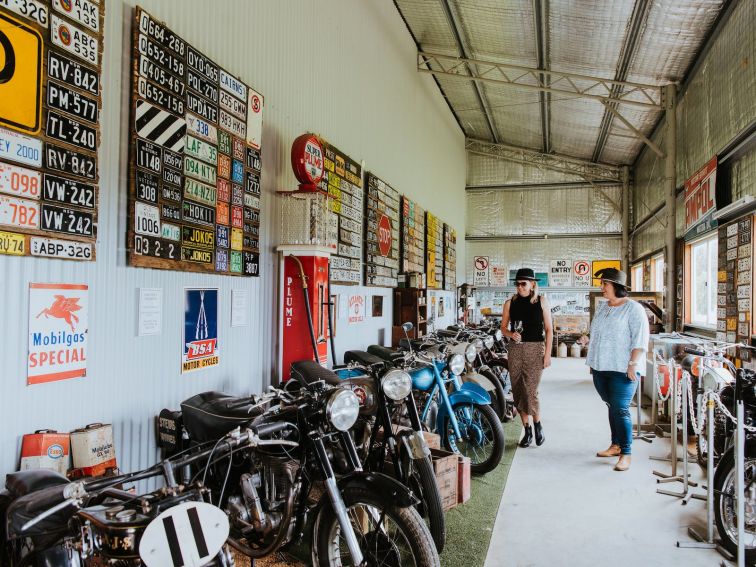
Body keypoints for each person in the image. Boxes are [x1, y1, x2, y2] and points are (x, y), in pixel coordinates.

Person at [587, 267, 650, 472]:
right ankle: (615, 445)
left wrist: (633, 364)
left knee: (621, 409)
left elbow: (640, 340)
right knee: (611, 406)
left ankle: (626, 453)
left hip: (623, 369)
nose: (601, 287)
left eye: (605, 284)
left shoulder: (634, 309)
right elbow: (597, 332)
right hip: (601, 366)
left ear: (617, 286)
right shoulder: (604, 308)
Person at [501, 268, 553, 448]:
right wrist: (510, 334)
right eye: (517, 284)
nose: (520, 287)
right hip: (515, 350)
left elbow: (549, 330)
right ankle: (527, 430)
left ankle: (538, 425)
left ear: (532, 284)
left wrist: (547, 354)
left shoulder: (542, 301)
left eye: (523, 284)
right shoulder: (510, 303)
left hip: (535, 348)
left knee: (531, 390)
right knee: (517, 389)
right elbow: (503, 327)